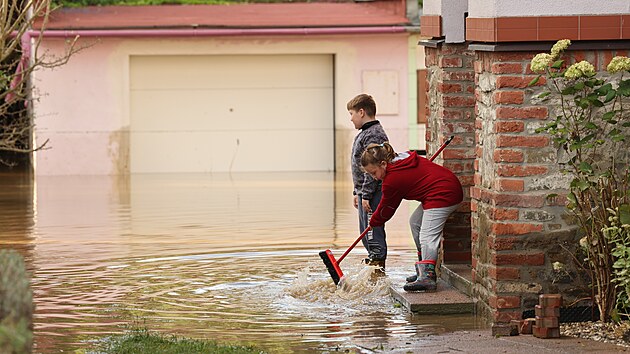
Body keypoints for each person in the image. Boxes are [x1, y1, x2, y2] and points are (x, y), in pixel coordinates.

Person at [360, 142, 463, 292]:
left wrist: (374, 221)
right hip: (441, 188)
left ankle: (427, 277)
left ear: (383, 164)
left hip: (444, 193)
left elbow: (386, 209)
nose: (374, 178)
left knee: (427, 236)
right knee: (415, 223)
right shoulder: (402, 158)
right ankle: (423, 270)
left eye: (373, 173)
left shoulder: (392, 179)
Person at [348, 94, 389, 271]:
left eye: (352, 114)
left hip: (373, 192)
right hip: (364, 193)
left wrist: (366, 194)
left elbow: (372, 170)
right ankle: (373, 266)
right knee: (365, 233)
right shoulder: (365, 133)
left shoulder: (374, 135)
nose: (351, 119)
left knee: (373, 233)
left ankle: (378, 268)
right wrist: (357, 192)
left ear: (362, 112)